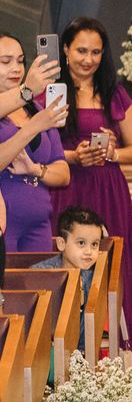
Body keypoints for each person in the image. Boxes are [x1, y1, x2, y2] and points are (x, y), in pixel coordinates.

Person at [49, 17, 132, 372]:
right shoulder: (51, 91)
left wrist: (112, 153)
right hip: (67, 187)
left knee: (114, 271)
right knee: (67, 270)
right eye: (80, 51)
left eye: (95, 52)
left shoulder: (113, 91)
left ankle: (120, 365)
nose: (87, 59)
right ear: (65, 49)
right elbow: (36, 147)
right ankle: (65, 364)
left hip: (108, 189)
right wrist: (74, 156)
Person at [0, 34, 69, 251]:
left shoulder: (37, 110)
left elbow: (64, 172)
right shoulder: (36, 116)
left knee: (42, 283)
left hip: (39, 222)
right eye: (5, 61)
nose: (16, 68)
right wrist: (32, 128)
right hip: (4, 224)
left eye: (20, 61)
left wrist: (36, 169)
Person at [33, 206, 104, 352]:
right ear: (61, 243)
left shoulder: (95, 279)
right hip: (43, 352)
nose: (89, 251)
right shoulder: (40, 275)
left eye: (94, 244)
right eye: (81, 243)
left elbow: (88, 336)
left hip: (79, 352)